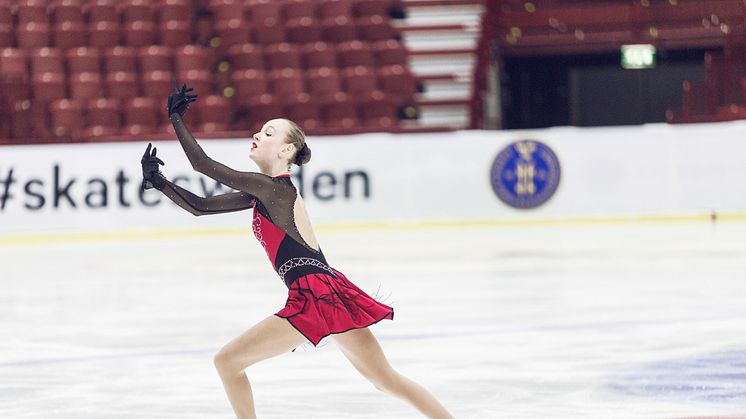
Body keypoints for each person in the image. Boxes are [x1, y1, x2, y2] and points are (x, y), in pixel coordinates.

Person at [140, 80, 454, 419]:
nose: (258, 135)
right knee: (385, 381)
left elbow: (204, 166)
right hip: (332, 290)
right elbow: (201, 206)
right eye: (259, 131)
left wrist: (176, 119)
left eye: (269, 133)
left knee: (227, 362)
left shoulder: (274, 189)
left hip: (314, 294)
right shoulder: (264, 193)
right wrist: (158, 182)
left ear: (286, 150)